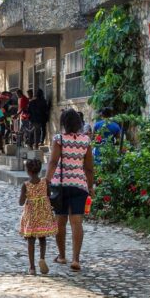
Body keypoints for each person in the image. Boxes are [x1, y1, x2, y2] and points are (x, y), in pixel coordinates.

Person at [45, 108, 93, 272]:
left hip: (61, 185)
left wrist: (46, 181)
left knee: (60, 221)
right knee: (76, 222)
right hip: (79, 185)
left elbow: (52, 162)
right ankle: (76, 260)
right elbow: (89, 168)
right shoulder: (86, 141)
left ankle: (62, 255)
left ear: (64, 123)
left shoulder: (59, 139)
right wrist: (91, 186)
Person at [18, 159, 57, 275]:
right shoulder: (45, 182)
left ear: (28, 171)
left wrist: (25, 197)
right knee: (42, 238)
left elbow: (20, 202)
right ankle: (42, 258)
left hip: (31, 216)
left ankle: (32, 267)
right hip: (43, 214)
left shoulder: (26, 185)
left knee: (31, 241)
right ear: (39, 170)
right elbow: (49, 195)